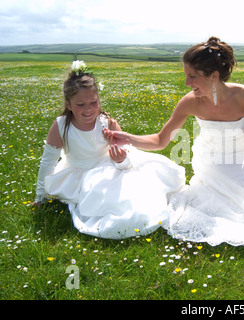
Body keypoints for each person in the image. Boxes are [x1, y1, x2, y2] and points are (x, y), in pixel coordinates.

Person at [104, 37, 244, 246]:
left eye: (192, 76)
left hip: (243, 165)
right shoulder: (190, 102)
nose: (187, 83)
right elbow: (160, 140)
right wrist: (128, 138)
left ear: (214, 76)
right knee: (207, 207)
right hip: (210, 165)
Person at [33, 61, 185, 239]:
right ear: (68, 104)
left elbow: (125, 151)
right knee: (106, 197)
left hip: (110, 165)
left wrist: (121, 160)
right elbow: (48, 161)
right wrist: (40, 195)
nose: (89, 109)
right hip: (81, 172)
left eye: (93, 102)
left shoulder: (106, 122)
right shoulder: (61, 127)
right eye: (80, 104)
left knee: (142, 188)